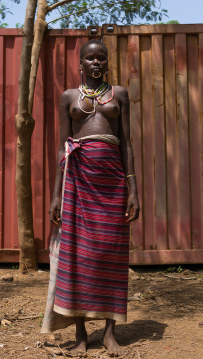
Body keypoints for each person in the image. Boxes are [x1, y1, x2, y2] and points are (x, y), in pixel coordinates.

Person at [41, 39, 140, 357]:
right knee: (77, 258)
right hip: (77, 185)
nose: (96, 63)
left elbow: (126, 143)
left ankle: (111, 333)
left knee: (111, 255)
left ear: (106, 63)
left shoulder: (119, 94)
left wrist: (132, 190)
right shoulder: (69, 97)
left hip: (112, 186)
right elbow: (62, 147)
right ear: (80, 63)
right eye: (90, 58)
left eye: (101, 58)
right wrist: (56, 194)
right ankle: (81, 334)